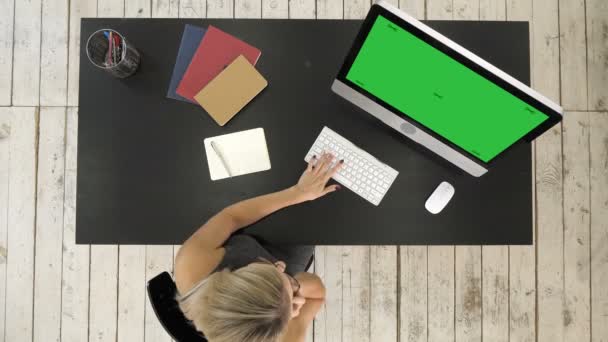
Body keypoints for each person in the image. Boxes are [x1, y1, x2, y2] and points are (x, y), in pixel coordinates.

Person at [174, 152, 343, 342]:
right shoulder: (282, 334)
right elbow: (316, 292)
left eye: (270, 268)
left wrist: (298, 192)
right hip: (290, 250)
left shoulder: (191, 266)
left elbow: (231, 217)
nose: (280, 264)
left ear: (235, 274)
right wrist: (291, 305)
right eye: (285, 277)